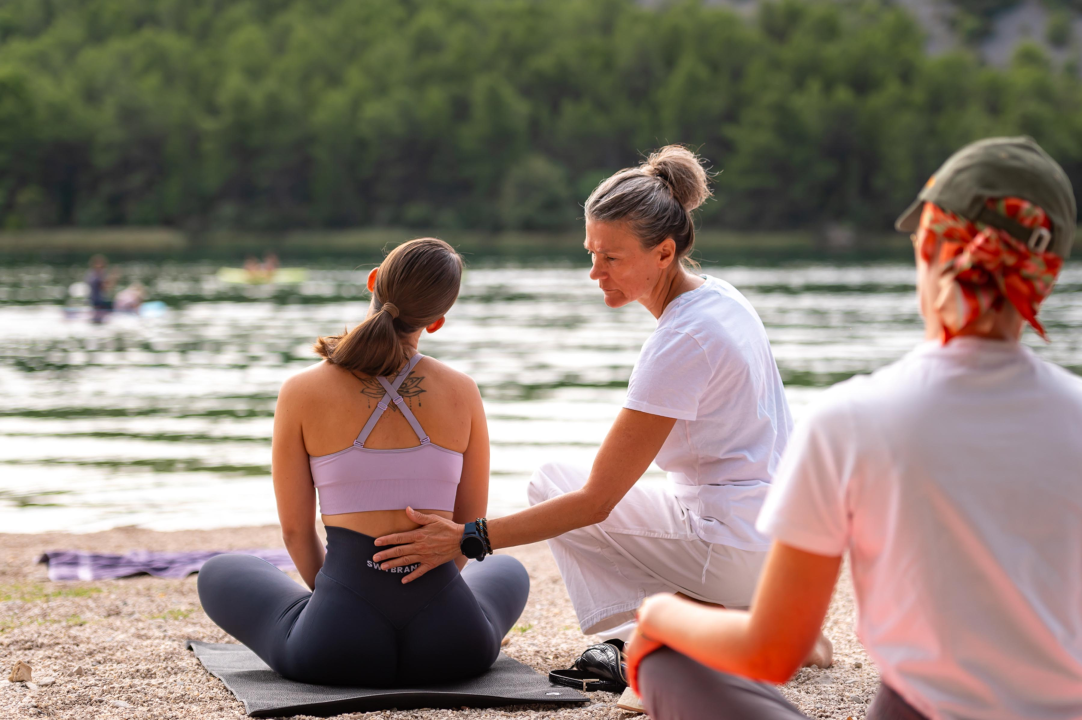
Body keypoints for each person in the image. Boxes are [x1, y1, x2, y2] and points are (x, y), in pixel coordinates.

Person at [626, 136, 1082, 720]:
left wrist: (658, 615)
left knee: (669, 659)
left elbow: (772, 652)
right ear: (1043, 277)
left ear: (930, 249)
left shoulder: (852, 419)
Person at [369, 146, 829, 663]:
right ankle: (743, 618)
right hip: (778, 541)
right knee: (563, 482)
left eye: (611, 258)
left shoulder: (682, 340)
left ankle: (671, 638)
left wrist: (468, 539)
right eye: (591, 252)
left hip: (741, 547)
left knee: (557, 486)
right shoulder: (720, 297)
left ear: (663, 253)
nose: (595, 272)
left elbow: (596, 503)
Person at [197, 238, 530, 687]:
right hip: (454, 643)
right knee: (508, 568)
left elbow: (296, 531)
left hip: (336, 644)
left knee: (220, 570)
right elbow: (468, 529)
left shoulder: (300, 392)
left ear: (372, 281)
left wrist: (342, 601)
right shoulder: (463, 391)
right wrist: (422, 599)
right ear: (437, 321)